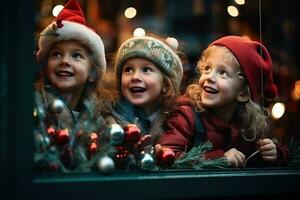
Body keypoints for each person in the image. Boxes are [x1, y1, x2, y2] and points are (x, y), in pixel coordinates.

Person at [157, 36, 289, 168]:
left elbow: (262, 158)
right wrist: (220, 158)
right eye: (207, 68)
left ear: (242, 94)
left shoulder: (248, 125)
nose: (210, 77)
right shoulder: (186, 116)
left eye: (223, 73)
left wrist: (275, 153)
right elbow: (168, 155)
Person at [34, 0, 111, 171]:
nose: (65, 61)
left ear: (92, 73)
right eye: (56, 54)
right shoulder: (36, 110)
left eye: (76, 56)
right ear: (45, 67)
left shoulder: (101, 118)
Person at [111, 35, 183, 150]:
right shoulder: (109, 121)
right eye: (128, 69)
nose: (135, 77)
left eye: (146, 70)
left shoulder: (178, 123)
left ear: (165, 84)